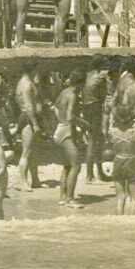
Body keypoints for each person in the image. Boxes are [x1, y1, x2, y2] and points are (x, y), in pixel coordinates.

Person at [54, 70, 85, 207]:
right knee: (76, 165)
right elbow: (70, 116)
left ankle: (63, 197)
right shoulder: (72, 95)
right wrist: (85, 124)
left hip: (59, 128)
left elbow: (55, 108)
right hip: (66, 131)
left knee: (67, 166)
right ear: (80, 83)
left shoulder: (63, 92)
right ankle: (70, 199)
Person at [13, 63, 44, 190]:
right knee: (26, 151)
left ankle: (35, 179)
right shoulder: (26, 84)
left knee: (33, 150)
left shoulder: (26, 82)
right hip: (28, 118)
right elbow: (28, 105)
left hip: (30, 117)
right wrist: (35, 123)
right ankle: (22, 182)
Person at [109, 109, 135, 215]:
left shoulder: (112, 132)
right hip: (132, 161)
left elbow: (111, 146)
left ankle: (119, 222)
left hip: (118, 161)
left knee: (120, 197)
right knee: (134, 198)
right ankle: (132, 223)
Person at [82, 56, 110, 182]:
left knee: (93, 141)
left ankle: (95, 172)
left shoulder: (87, 75)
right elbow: (105, 95)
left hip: (87, 108)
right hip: (95, 108)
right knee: (95, 142)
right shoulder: (100, 78)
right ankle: (91, 174)